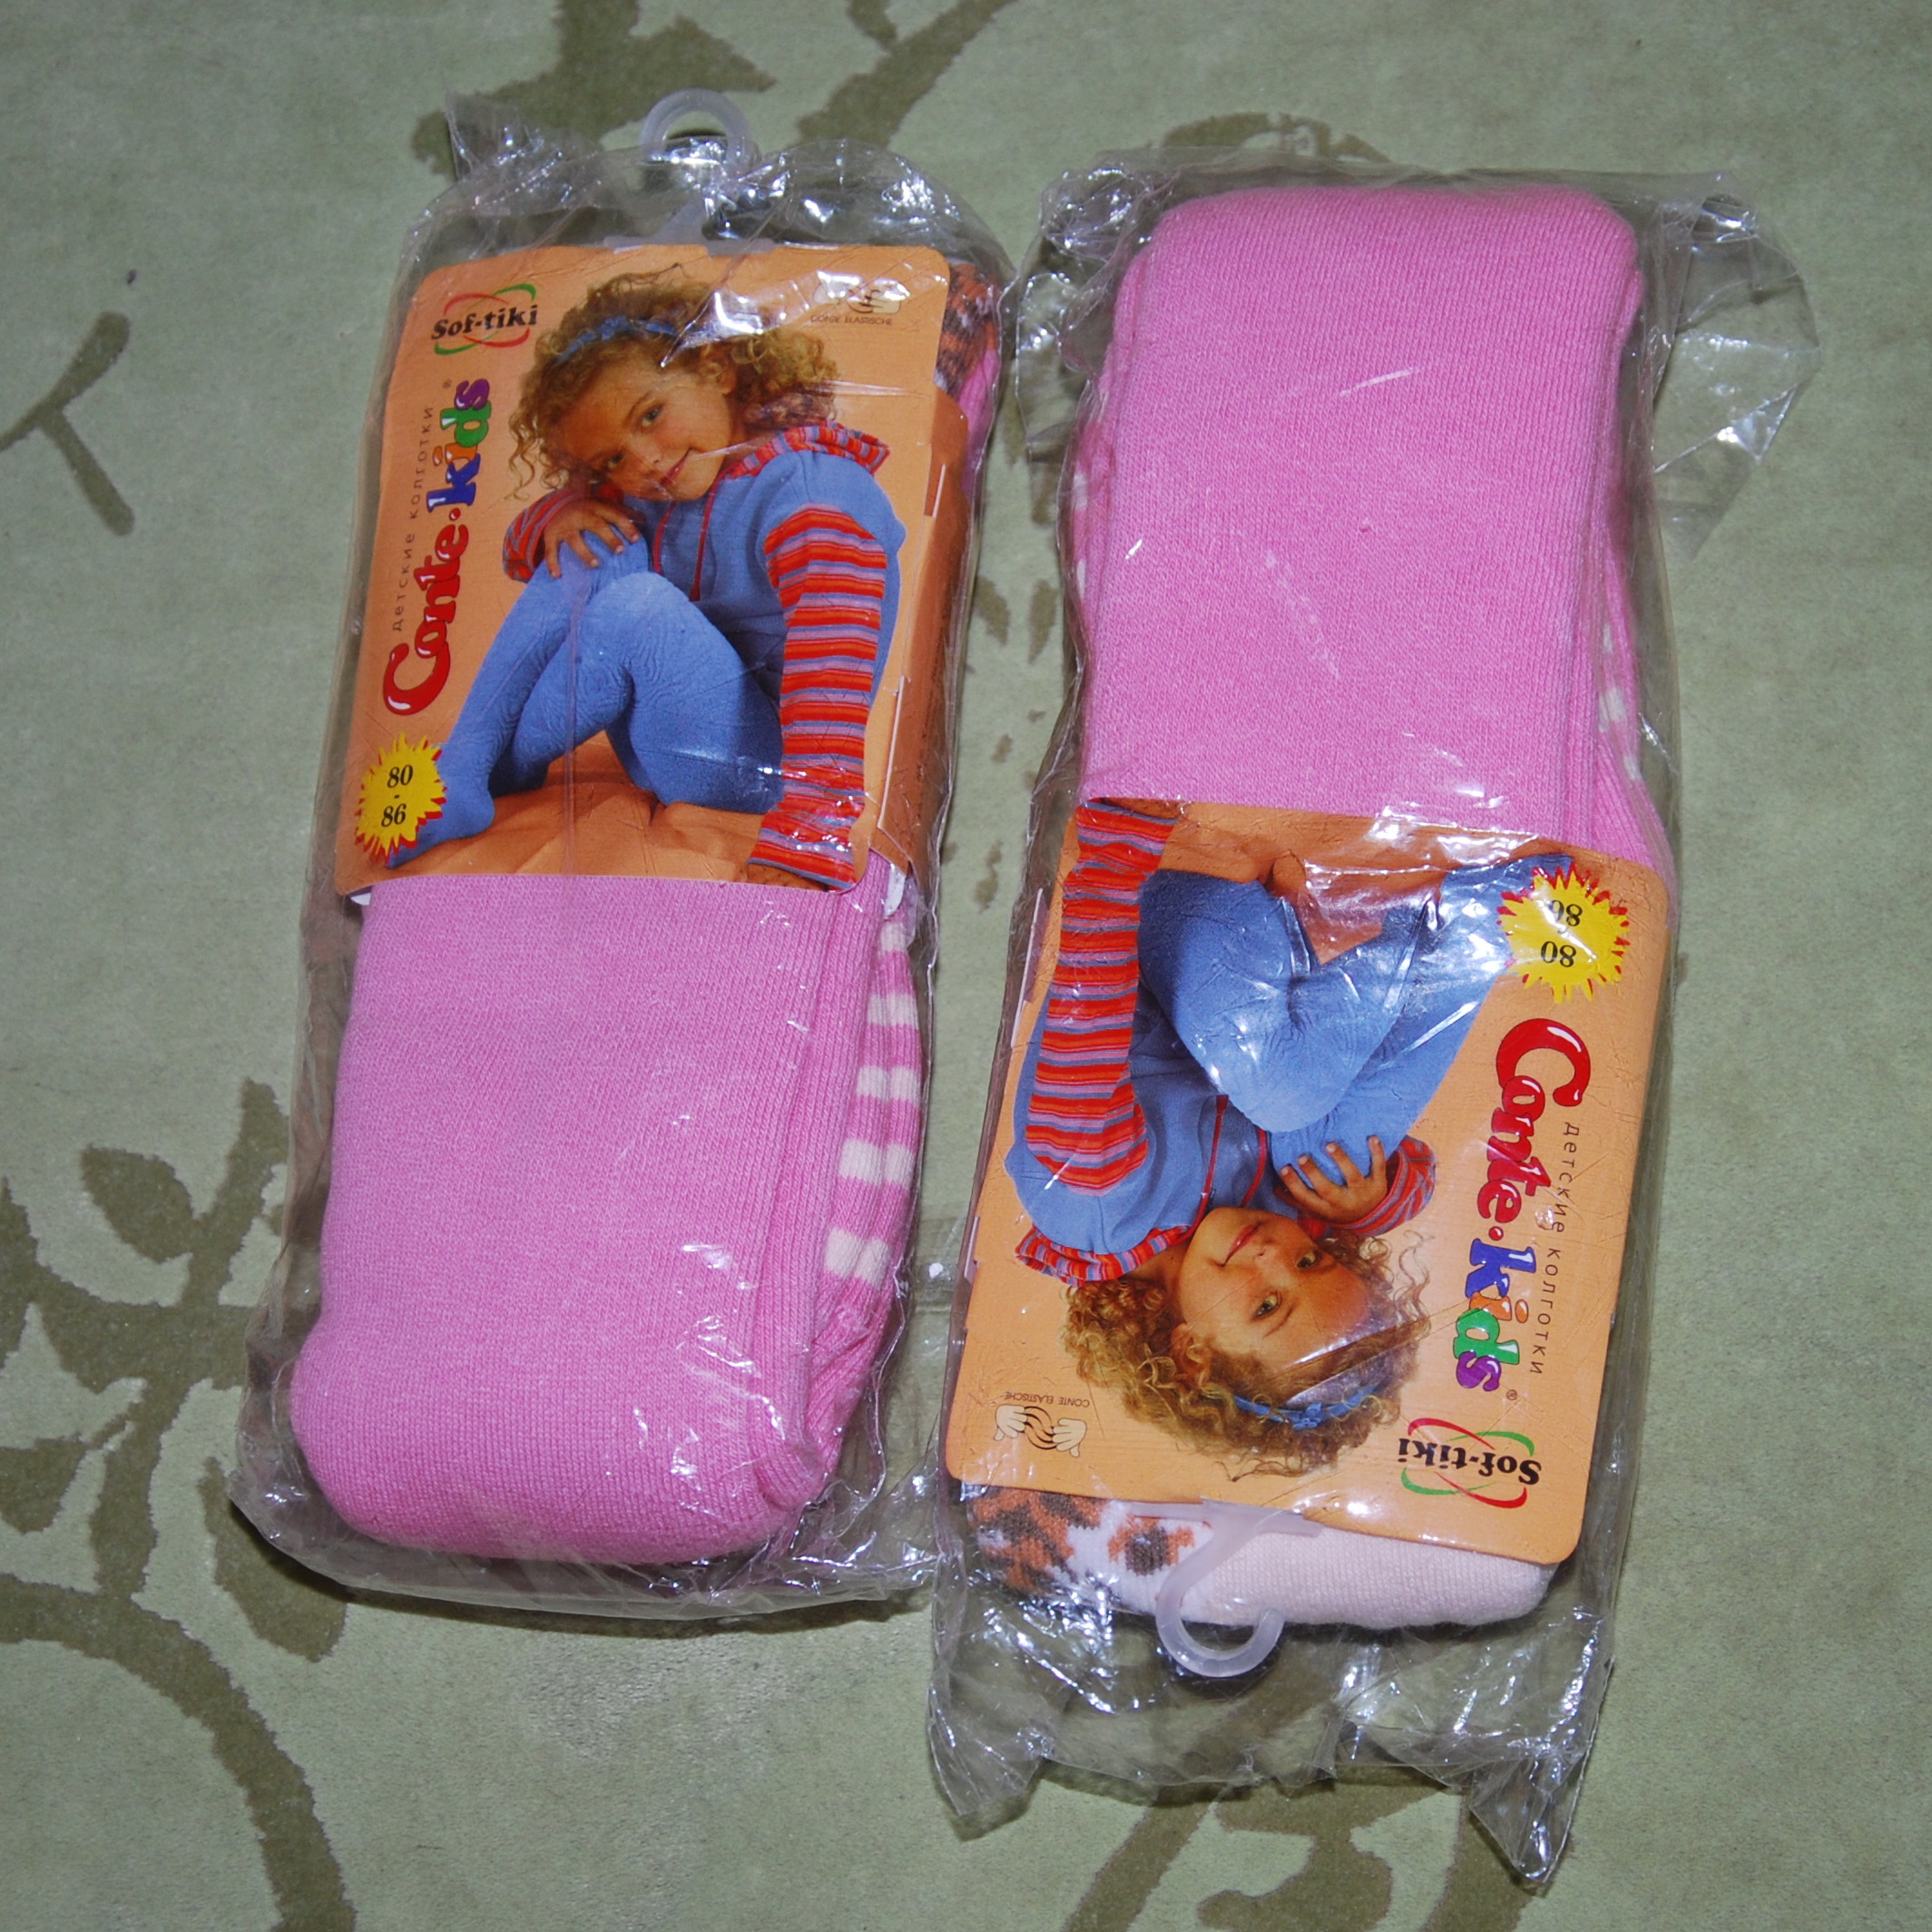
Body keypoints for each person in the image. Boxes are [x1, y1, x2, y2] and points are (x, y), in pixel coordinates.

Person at [1008, 800, 1556, 1474]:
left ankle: (1465, 930)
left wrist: (1113, 859)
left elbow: (1083, 1006)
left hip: (1159, 909)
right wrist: (1370, 1206)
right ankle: (1472, 925)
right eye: (1313, 1262)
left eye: (1266, 1305)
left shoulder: (1094, 1202)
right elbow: (1412, 1163)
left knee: (1284, 1096)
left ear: (1191, 1353)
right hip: (1259, 971)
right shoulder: (1266, 1226)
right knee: (1334, 1167)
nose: (1275, 1254)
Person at [393, 271, 906, 888]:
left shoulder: (812, 497)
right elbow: (519, 558)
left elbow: (833, 675)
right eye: (612, 459)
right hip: (668, 728)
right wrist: (560, 514)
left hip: (762, 767)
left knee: (638, 604)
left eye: (651, 415)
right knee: (591, 541)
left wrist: (807, 833)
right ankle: (468, 769)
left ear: (716, 370)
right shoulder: (667, 488)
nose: (646, 462)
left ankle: (491, 763)